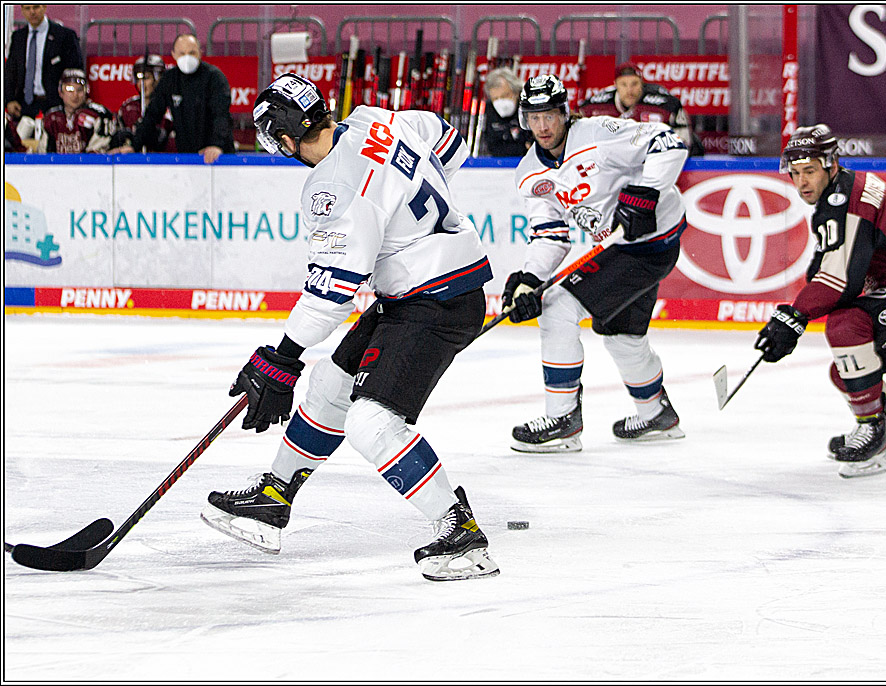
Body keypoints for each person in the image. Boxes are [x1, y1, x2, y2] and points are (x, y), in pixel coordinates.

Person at [201, 73, 499, 582]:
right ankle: (275, 496)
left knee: (372, 423)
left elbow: (332, 291)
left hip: (437, 301)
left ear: (289, 137)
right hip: (419, 289)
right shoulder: (373, 118)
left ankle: (462, 536)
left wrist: (283, 356)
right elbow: (447, 139)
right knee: (330, 386)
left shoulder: (335, 186)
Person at [755, 124, 886, 478]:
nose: (802, 182)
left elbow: (840, 281)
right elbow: (833, 270)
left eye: (810, 171)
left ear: (831, 164)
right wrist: (801, 310)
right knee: (848, 373)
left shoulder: (843, 201)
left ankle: (874, 430)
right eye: (795, 174)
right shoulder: (843, 191)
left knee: (846, 326)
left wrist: (792, 317)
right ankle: (879, 422)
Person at [502, 74, 688, 453]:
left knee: (557, 308)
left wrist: (646, 194)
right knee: (621, 334)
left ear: (564, 113)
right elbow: (550, 235)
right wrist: (528, 279)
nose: (543, 126)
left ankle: (563, 419)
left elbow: (669, 143)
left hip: (650, 242)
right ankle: (656, 414)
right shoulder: (529, 174)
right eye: (534, 117)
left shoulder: (599, 133)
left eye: (549, 115)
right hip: (625, 248)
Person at [125, 33, 233, 163]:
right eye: (182, 53)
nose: (187, 57)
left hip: (217, 156)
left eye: (192, 52)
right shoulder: (169, 79)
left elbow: (221, 115)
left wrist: (217, 145)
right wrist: (133, 145)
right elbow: (152, 115)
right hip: (186, 155)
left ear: (200, 52)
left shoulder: (215, 78)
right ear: (174, 54)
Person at [580, 63, 704, 157]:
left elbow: (684, 142)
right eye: (623, 84)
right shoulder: (593, 106)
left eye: (634, 84)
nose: (629, 90)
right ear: (615, 85)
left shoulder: (666, 105)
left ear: (642, 84)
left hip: (656, 164)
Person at [4, 5, 84, 122]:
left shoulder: (64, 36)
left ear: (44, 7)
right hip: (23, 105)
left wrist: (69, 102)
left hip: (55, 105)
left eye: (36, 7)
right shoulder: (18, 37)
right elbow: (10, 72)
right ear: (22, 10)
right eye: (27, 8)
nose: (32, 12)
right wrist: (9, 100)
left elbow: (75, 71)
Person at [37, 68, 114, 153]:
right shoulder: (51, 118)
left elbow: (96, 155)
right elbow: (43, 154)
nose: (75, 95)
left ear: (86, 91)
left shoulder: (99, 115)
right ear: (60, 91)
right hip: (57, 165)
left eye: (80, 90)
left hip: (88, 165)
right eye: (70, 89)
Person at [110, 55, 175, 152]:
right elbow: (114, 143)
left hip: (164, 163)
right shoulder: (127, 108)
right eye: (138, 78)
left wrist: (164, 141)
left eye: (146, 78)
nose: (141, 83)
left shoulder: (172, 107)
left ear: (159, 79)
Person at [481, 67, 531, 157]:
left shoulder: (528, 106)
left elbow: (532, 145)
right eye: (496, 98)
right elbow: (492, 146)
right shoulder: (489, 108)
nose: (501, 101)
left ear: (516, 92)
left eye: (505, 95)